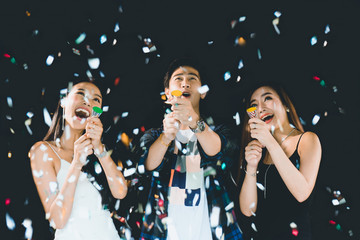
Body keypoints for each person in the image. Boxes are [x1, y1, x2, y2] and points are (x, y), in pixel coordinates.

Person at [139, 57, 243, 240]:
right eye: (178, 78)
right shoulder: (154, 136)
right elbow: (147, 166)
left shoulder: (220, 131)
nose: (185, 83)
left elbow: (217, 151)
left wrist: (194, 121)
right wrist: (166, 138)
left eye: (192, 78)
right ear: (167, 93)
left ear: (203, 92)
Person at [29, 80, 127, 240]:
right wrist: (76, 164)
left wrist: (99, 148)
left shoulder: (98, 152)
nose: (87, 101)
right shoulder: (42, 150)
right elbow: (57, 220)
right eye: (81, 94)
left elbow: (120, 192)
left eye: (96, 99)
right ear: (63, 101)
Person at [238, 81, 322, 240]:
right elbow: (248, 210)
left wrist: (270, 141)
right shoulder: (259, 151)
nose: (260, 108)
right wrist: (251, 166)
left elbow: (302, 192)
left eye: (267, 98)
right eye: (254, 104)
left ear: (286, 105)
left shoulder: (306, 140)